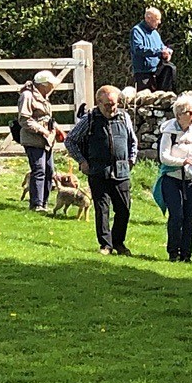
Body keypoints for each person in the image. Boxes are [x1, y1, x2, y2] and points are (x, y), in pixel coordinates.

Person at [64, 85, 138, 256]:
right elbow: (70, 141)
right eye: (107, 105)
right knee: (102, 209)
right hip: (98, 171)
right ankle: (106, 245)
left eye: (114, 104)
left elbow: (133, 141)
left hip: (121, 171)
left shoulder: (124, 117)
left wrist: (131, 160)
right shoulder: (89, 119)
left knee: (124, 209)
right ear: (99, 102)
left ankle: (119, 243)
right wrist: (82, 161)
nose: (111, 108)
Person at [157, 95, 192, 262]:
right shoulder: (169, 132)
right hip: (171, 180)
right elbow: (163, 157)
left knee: (189, 217)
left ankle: (186, 254)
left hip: (191, 180)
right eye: (190, 113)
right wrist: (182, 161)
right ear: (179, 114)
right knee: (177, 215)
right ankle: (173, 252)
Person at [17, 70, 60, 212]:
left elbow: (46, 118)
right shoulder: (27, 96)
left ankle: (44, 202)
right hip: (33, 139)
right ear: (43, 85)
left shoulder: (43, 96)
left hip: (47, 140)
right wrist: (42, 131)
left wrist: (56, 130)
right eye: (50, 84)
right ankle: (36, 204)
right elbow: (24, 119)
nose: (52, 87)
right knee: (39, 170)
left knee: (49, 171)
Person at [130, 7, 174, 91]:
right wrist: (159, 52)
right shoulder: (137, 31)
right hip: (143, 74)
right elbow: (139, 49)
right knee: (145, 101)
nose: (159, 22)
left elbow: (162, 47)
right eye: (157, 19)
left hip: (157, 73)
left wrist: (166, 53)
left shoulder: (155, 33)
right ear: (148, 18)